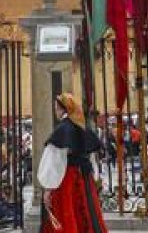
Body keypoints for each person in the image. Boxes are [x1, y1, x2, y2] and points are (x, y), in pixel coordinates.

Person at [37, 93, 107, 233]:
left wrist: (48, 189)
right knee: (86, 212)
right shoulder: (83, 128)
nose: (55, 111)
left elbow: (54, 162)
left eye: (56, 108)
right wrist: (93, 177)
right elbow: (91, 157)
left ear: (64, 110)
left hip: (66, 178)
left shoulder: (62, 129)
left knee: (66, 213)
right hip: (84, 177)